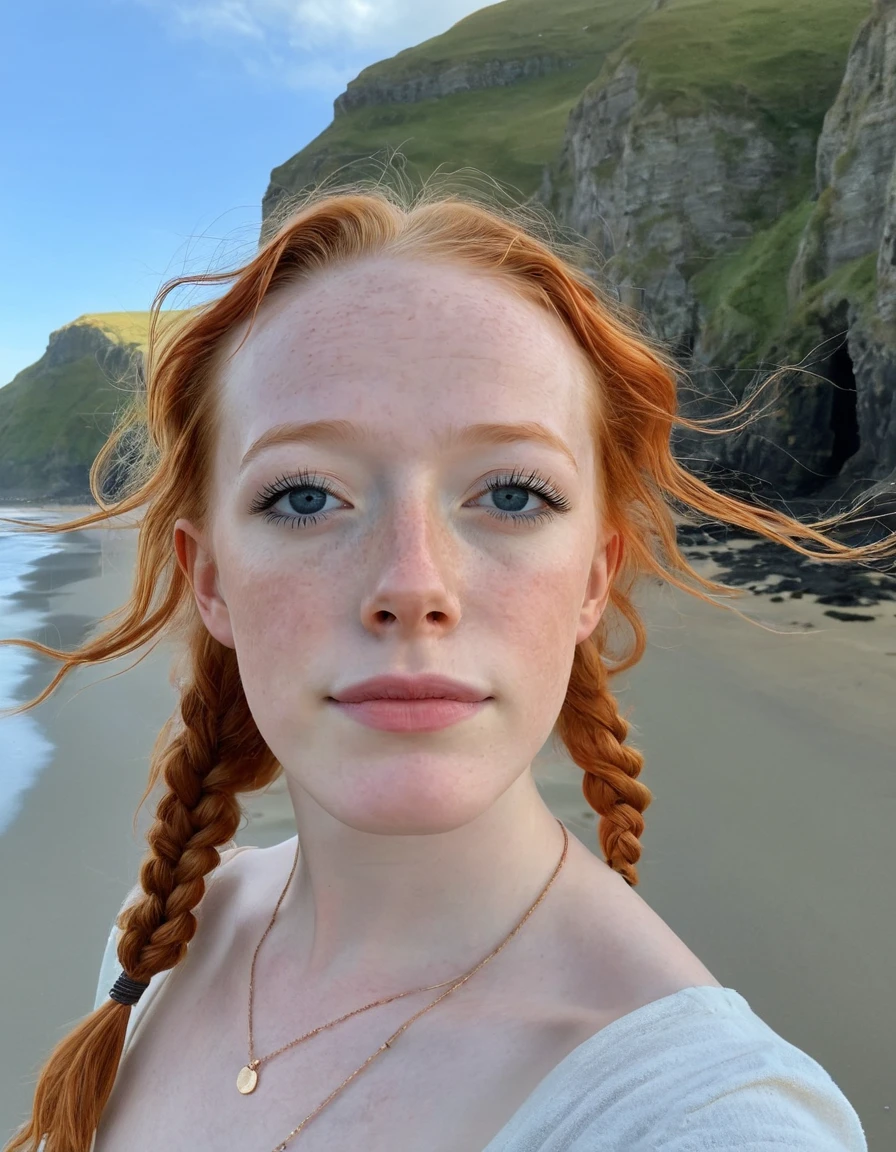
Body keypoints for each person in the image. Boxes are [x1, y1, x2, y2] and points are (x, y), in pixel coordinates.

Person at [3, 181, 889, 1152]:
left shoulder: (706, 1120)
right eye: (305, 497)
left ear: (594, 579)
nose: (412, 584)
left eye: (510, 493)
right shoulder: (165, 946)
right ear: (208, 579)